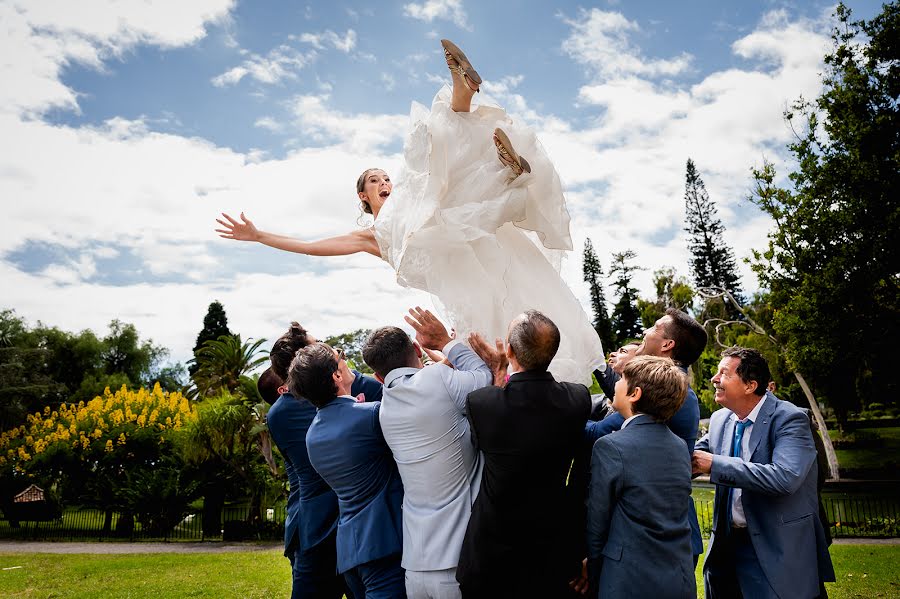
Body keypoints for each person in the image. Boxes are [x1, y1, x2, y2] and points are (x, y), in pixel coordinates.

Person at [215, 39, 604, 385]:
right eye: (373, 181)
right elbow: (310, 247)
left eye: (385, 177)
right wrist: (259, 235)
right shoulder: (373, 236)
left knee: (436, 169)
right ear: (363, 197)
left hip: (475, 244)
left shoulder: (414, 203)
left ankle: (477, 120)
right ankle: (503, 177)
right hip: (467, 281)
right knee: (499, 330)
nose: (384, 182)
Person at [457, 310, 591, 598]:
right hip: (551, 551)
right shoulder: (577, 399)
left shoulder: (482, 402)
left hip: (493, 555)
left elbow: (494, 415)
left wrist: (498, 374)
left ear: (510, 350)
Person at [365, 308, 493, 599]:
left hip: (415, 566)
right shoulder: (439, 381)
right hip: (458, 562)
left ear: (377, 377)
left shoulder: (385, 407)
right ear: (416, 349)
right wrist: (445, 342)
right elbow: (484, 374)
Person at [692, 347, 835, 599]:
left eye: (724, 373)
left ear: (750, 385)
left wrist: (715, 465)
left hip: (776, 550)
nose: (714, 379)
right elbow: (693, 458)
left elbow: (784, 477)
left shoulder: (791, 419)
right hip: (725, 554)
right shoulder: (718, 420)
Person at [266, 322, 382, 598]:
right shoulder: (366, 389)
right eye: (320, 346)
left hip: (313, 527)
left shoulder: (278, 414)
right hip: (360, 525)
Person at [583, 308, 706, 563]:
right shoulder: (677, 386)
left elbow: (596, 433)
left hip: (654, 536)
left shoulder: (670, 392)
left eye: (654, 327)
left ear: (667, 344)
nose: (644, 332)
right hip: (664, 529)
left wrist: (549, 405)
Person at [289, 342, 405, 598]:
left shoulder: (313, 436)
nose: (345, 360)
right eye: (340, 356)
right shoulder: (371, 416)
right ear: (336, 376)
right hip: (383, 545)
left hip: (350, 552)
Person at [586, 356, 696, 598]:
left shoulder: (611, 446)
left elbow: (598, 521)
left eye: (622, 378)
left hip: (628, 580)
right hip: (677, 576)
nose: (615, 384)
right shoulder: (679, 445)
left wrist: (594, 573)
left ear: (634, 393)